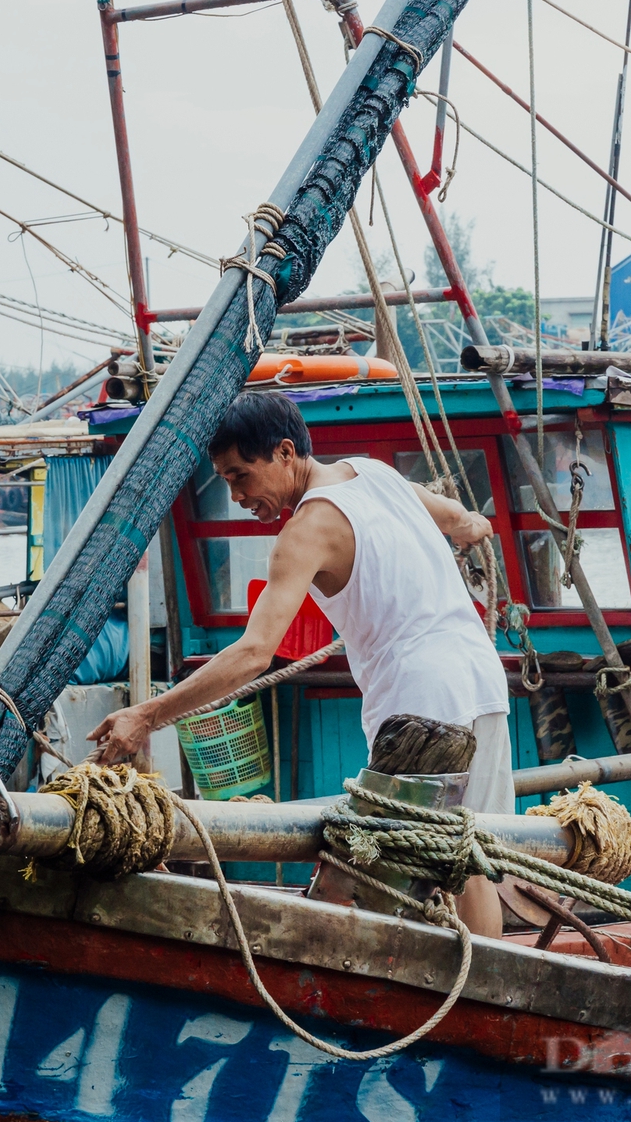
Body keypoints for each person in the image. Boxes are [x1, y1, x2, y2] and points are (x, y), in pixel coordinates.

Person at [89, 392, 512, 936]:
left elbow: (253, 653)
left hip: (420, 703)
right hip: (481, 679)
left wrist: (146, 715)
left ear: (285, 452)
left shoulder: (305, 533)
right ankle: (482, 1001)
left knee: (402, 870)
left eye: (241, 476)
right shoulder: (371, 472)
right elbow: (457, 518)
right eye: (224, 481)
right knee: (466, 859)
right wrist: (475, 527)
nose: (237, 494)